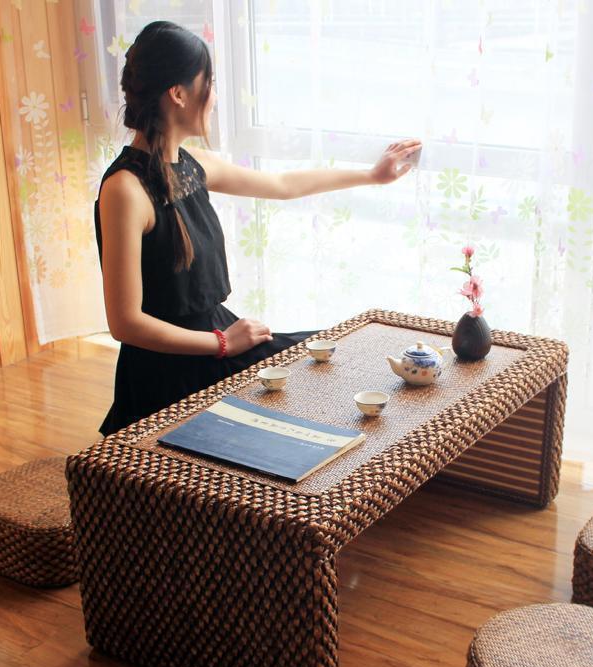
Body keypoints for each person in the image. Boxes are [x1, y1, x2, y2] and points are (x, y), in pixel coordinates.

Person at [96, 20, 420, 436]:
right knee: (324, 371)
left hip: (218, 339)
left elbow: (282, 185)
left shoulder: (192, 165)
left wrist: (373, 175)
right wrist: (222, 343)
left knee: (335, 353)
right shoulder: (125, 190)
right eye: (209, 83)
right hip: (171, 371)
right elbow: (125, 323)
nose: (214, 96)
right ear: (178, 94)